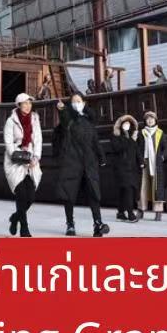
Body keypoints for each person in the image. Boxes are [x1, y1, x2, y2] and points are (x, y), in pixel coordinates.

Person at [53, 93, 109, 237]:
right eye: (73, 101)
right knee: (69, 193)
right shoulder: (68, 119)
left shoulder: (89, 120)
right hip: (72, 161)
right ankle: (70, 224)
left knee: (93, 193)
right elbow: (64, 120)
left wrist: (101, 157)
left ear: (84, 103)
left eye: (79, 101)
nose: (76, 103)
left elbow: (95, 141)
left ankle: (98, 223)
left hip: (89, 162)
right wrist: (61, 109)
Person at [4, 92, 43, 237]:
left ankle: (15, 218)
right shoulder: (11, 121)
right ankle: (24, 228)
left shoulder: (35, 119)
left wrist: (36, 157)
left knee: (30, 197)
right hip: (15, 161)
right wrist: (21, 156)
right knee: (21, 194)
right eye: (25, 103)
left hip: (31, 160)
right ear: (19, 105)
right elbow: (8, 143)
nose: (28, 106)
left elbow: (38, 140)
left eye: (29, 103)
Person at [138, 111, 167, 220]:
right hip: (145, 161)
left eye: (152, 118)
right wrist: (140, 160)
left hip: (156, 163)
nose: (150, 120)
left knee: (157, 187)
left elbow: (165, 147)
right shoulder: (142, 133)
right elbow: (138, 148)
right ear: (145, 121)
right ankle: (141, 210)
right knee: (143, 186)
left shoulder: (160, 132)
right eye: (148, 118)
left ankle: (158, 211)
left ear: (155, 120)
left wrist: (162, 157)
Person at [111, 115, 142, 222]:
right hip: (121, 168)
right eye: (125, 123)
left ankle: (120, 213)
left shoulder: (132, 136)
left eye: (129, 124)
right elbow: (117, 148)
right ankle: (130, 213)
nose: (127, 125)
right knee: (128, 189)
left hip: (132, 168)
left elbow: (136, 150)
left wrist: (141, 162)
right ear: (120, 125)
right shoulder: (116, 135)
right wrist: (131, 141)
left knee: (124, 191)